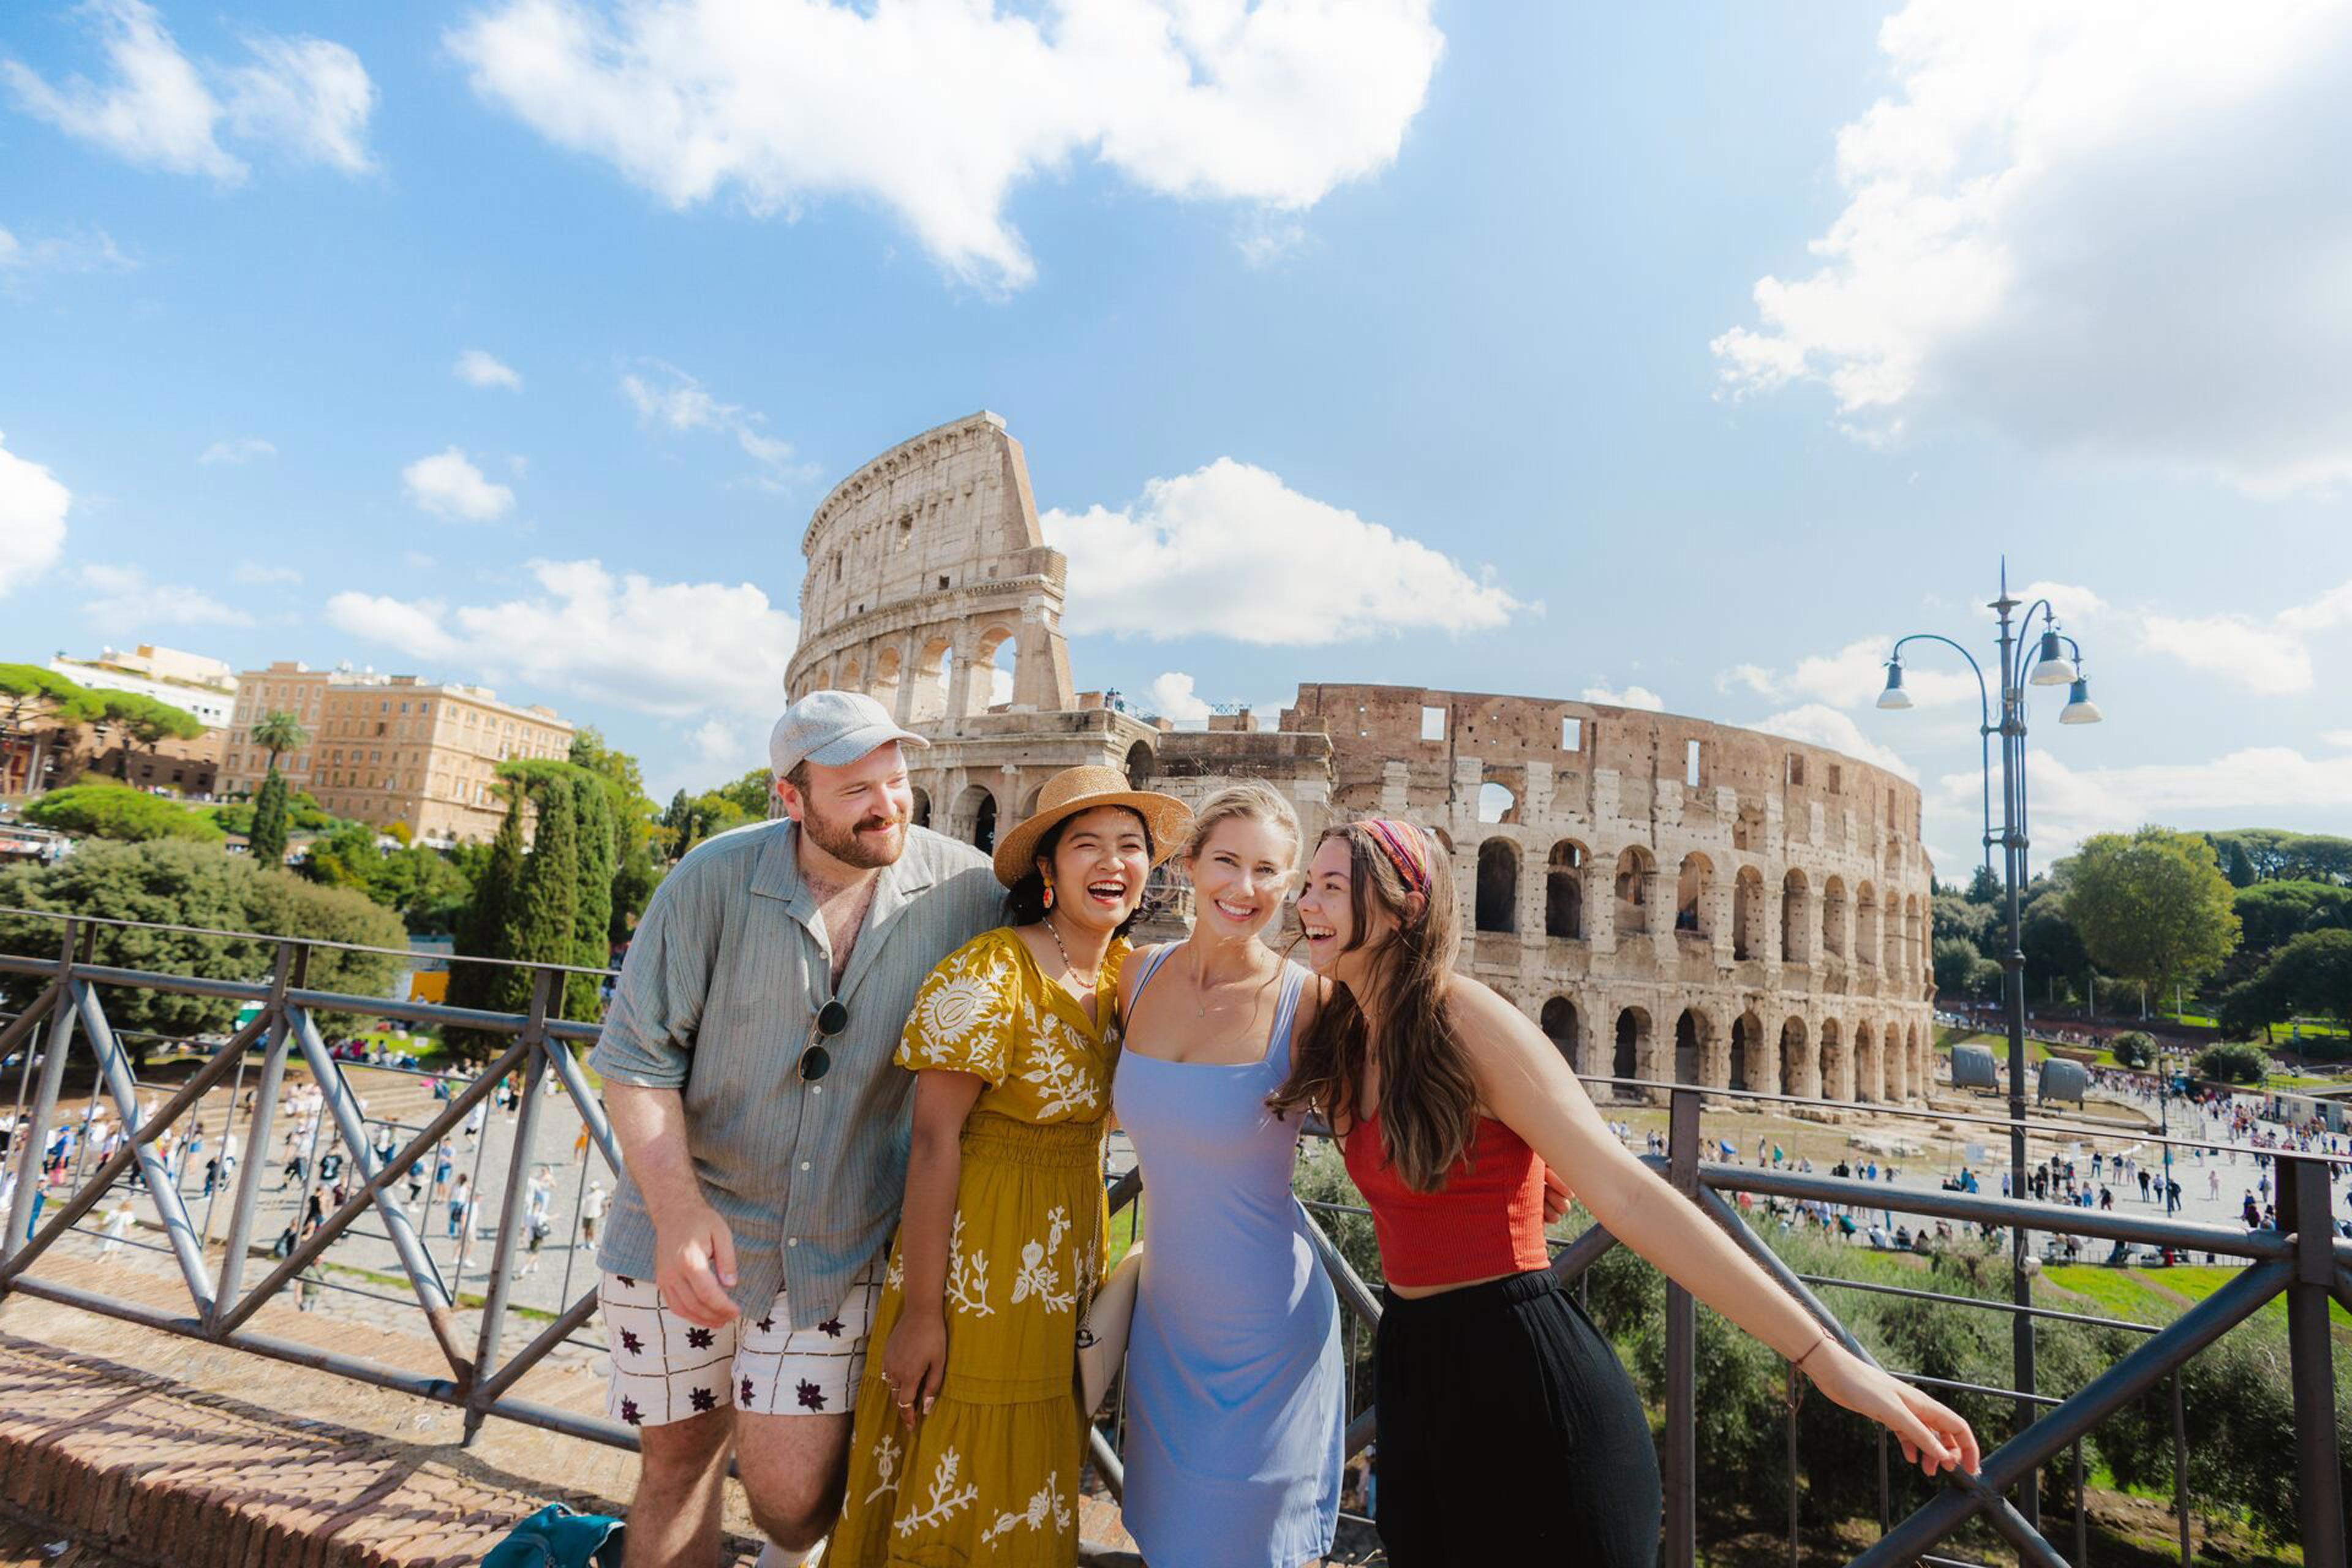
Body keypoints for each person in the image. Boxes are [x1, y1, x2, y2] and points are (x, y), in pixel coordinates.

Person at [1273, 819, 1978, 1566]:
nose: (1306, 905)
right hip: (1412, 1362)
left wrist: (1823, 1356)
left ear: (1404, 906)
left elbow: (1631, 1198)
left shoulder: (1465, 1019)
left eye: (1330, 887)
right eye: (1307, 886)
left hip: (1523, 1374)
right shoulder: (1345, 1031)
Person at [590, 692, 1006, 1568]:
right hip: (681, 1231)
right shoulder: (711, 876)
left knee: (794, 1505)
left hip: (838, 1245)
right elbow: (634, 1060)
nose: (887, 803)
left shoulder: (971, 890)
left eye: (896, 780)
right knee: (676, 1465)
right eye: (856, 789)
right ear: (792, 798)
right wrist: (676, 1213)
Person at [831, 765, 1191, 1568]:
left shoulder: (1133, 976)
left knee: (1032, 1478)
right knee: (960, 1466)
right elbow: (932, 1143)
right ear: (1046, 869)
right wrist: (923, 1313)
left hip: (1064, 1268)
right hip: (975, 1269)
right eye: (1087, 845)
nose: (1112, 864)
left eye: (1130, 846)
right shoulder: (993, 971)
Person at [1111, 783, 1344, 1568]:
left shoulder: (1309, 1002)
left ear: (1292, 887)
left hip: (1268, 1334)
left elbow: (1404, 1089)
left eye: (1269, 872)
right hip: (1166, 1328)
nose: (1244, 889)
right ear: (1188, 864)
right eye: (1228, 862)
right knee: (1165, 1544)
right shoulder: (1135, 975)